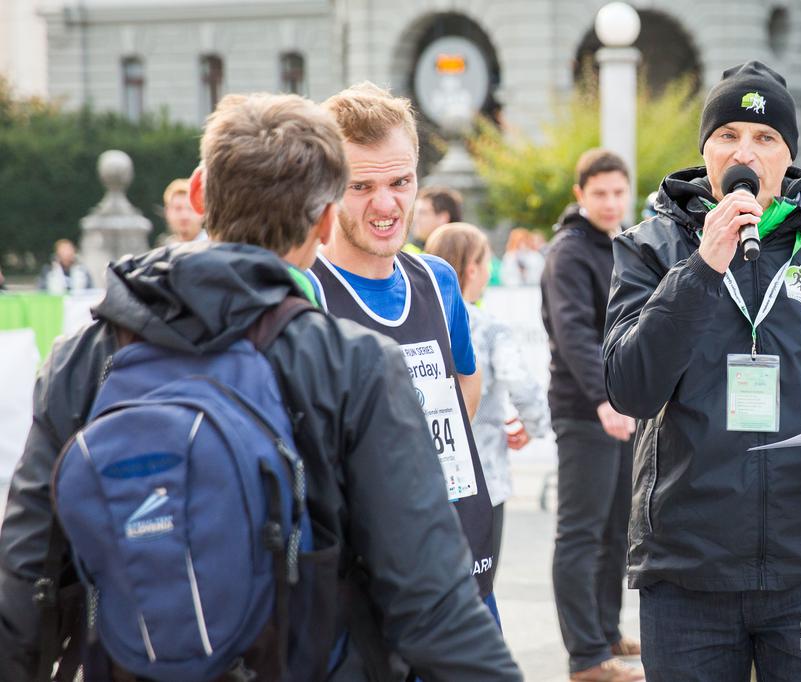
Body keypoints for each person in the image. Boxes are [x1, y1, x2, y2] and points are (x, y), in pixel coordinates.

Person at [0, 93, 521, 682]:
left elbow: (24, 573)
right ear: (326, 221)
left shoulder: (83, 356)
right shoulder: (349, 363)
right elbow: (434, 603)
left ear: (197, 195)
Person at [603, 61, 801, 681]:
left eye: (765, 138)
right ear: (706, 150)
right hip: (686, 571)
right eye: (729, 134)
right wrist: (701, 269)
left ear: (788, 154)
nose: (746, 151)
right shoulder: (650, 247)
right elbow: (630, 387)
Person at [308, 82, 500, 613]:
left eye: (400, 181)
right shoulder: (307, 289)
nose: (387, 204)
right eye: (361, 186)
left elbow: (466, 377)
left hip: (460, 558)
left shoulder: (436, 278)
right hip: (366, 585)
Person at [542, 148, 643, 682]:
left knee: (614, 530)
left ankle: (606, 632)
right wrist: (604, 400)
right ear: (581, 195)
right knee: (581, 533)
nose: (610, 202)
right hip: (585, 411)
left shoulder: (622, 245)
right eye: (599, 193)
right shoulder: (569, 252)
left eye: (617, 192)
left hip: (622, 409)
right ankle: (585, 657)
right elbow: (574, 333)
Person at [424, 221, 550, 577]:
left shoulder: (419, 323)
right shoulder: (490, 327)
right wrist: (534, 425)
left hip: (424, 480)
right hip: (484, 481)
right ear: (473, 268)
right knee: (478, 588)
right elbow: (521, 384)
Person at [404, 185, 463, 254]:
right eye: (415, 213)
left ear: (443, 218)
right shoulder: (408, 251)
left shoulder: (460, 254)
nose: (415, 219)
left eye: (422, 213)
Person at [162, 178, 206, 243]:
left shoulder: (216, 248)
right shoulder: (165, 249)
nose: (184, 215)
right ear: (167, 212)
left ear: (203, 213)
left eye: (191, 208)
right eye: (178, 208)